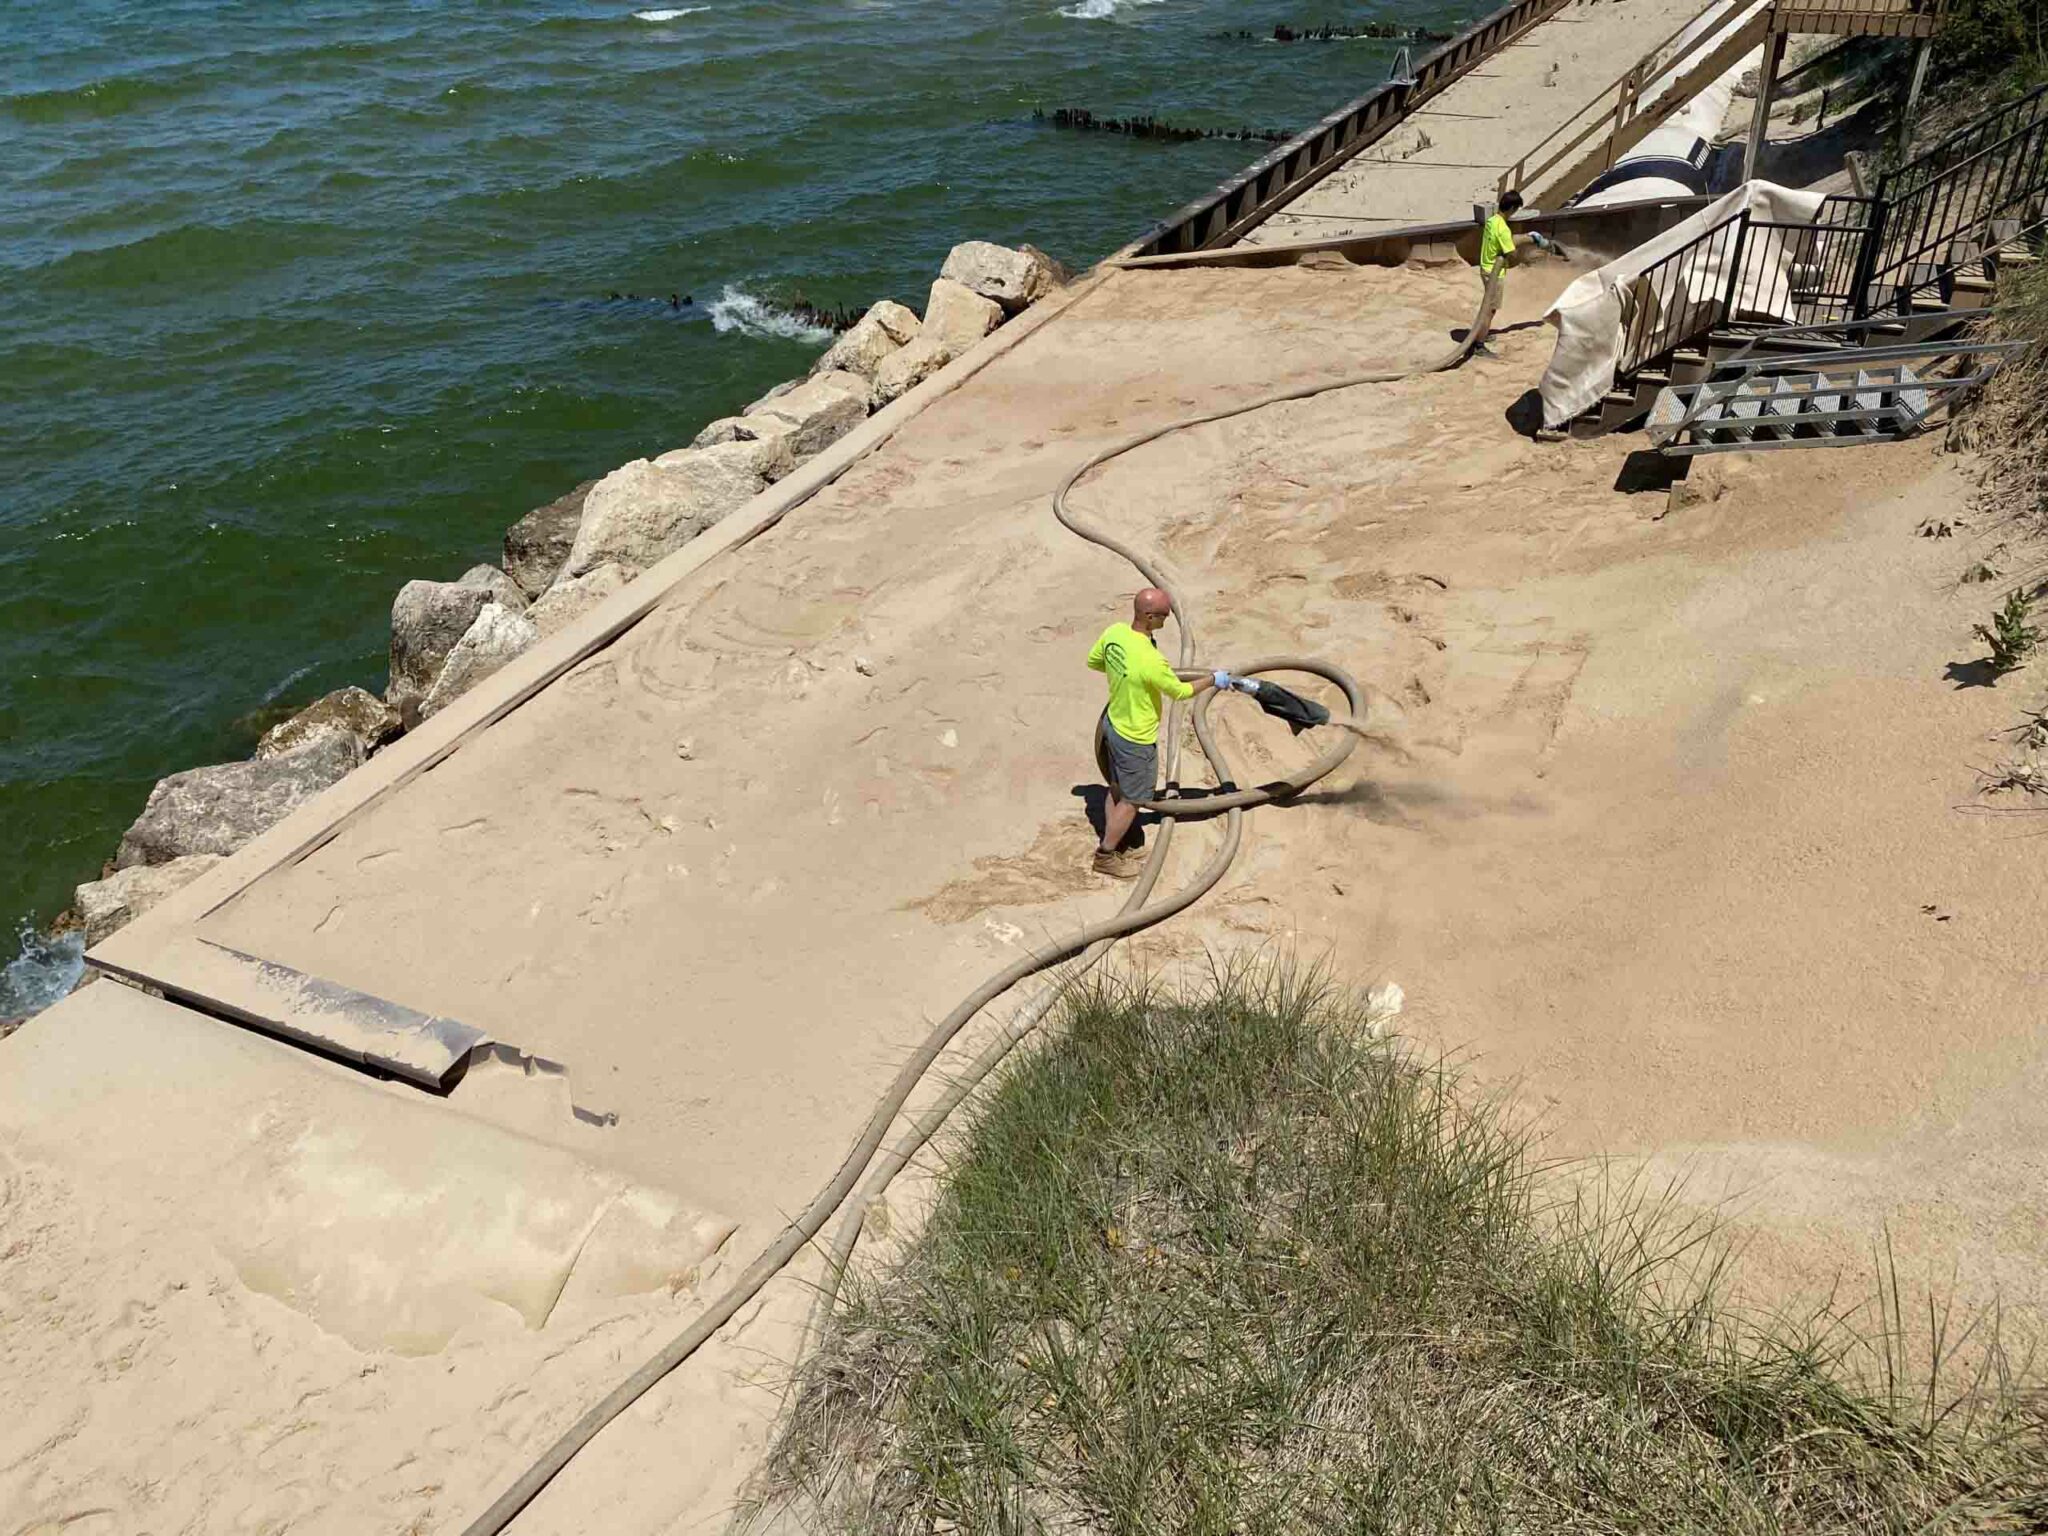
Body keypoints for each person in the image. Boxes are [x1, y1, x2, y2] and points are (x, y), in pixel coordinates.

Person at [1086, 588, 1249, 879]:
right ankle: (1106, 855)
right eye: (1163, 615)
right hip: (1136, 737)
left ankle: (1120, 838)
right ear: (1149, 616)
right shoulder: (1151, 660)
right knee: (1134, 799)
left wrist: (1124, 679)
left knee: (1117, 786)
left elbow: (1094, 661)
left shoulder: (1114, 633)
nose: (1166, 619)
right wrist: (1214, 679)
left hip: (1113, 723)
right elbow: (1181, 691)